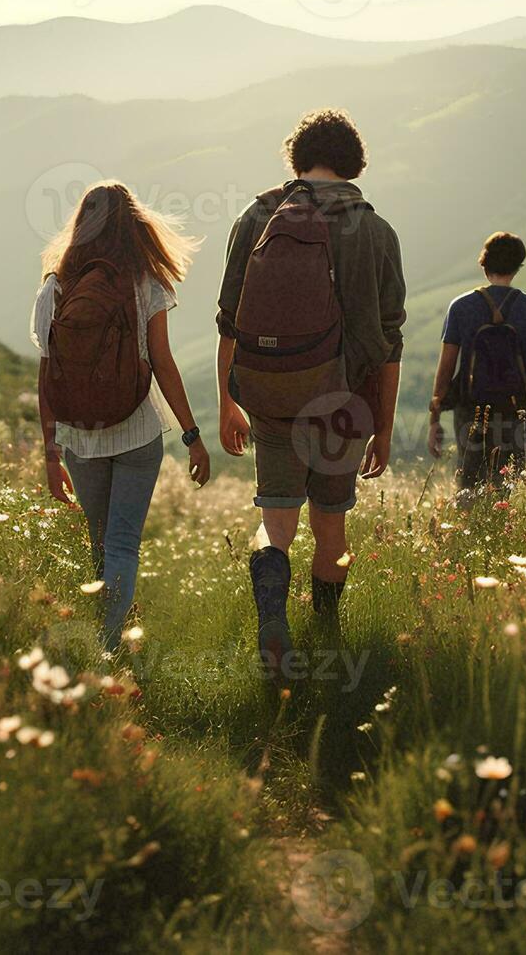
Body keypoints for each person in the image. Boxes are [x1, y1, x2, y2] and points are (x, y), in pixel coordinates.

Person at [216, 108, 405, 681]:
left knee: (275, 520)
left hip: (270, 393)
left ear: (297, 160)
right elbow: (390, 340)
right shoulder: (374, 231)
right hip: (343, 404)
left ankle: (272, 618)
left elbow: (229, 319)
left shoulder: (257, 216)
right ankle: (325, 633)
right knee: (330, 523)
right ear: (354, 165)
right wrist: (385, 428)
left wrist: (228, 400)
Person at [33, 183, 212, 653]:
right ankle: (111, 645)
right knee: (123, 542)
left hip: (79, 438)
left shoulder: (55, 286)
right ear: (132, 228)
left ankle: (104, 630)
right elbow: (163, 364)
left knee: (100, 543)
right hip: (136, 434)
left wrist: (51, 453)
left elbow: (48, 375)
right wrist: (192, 435)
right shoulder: (145, 284)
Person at [427, 232, 526, 498]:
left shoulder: (461, 307)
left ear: (483, 264)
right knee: (512, 486)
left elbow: (446, 368)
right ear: (518, 266)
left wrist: (434, 419)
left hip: (470, 409)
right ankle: (506, 534)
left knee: (469, 483)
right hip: (518, 410)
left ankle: (468, 533)